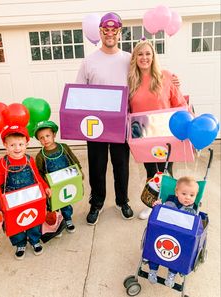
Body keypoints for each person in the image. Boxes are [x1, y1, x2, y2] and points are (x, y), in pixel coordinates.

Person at [76, 12, 134, 225]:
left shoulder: (129, 59)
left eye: (114, 30)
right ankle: (97, 202)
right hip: (95, 123)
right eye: (105, 30)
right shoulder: (89, 61)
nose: (109, 34)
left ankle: (122, 201)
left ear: (119, 32)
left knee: (121, 164)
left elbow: (148, 75)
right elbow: (79, 92)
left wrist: (170, 79)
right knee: (97, 164)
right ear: (100, 32)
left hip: (121, 122)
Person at [128, 39, 188, 220]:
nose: (144, 57)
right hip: (143, 135)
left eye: (148, 54)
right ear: (135, 58)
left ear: (153, 56)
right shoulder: (131, 80)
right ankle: (151, 205)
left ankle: (170, 204)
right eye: (140, 54)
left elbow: (180, 103)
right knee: (151, 173)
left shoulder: (166, 76)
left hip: (166, 134)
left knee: (165, 172)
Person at [0, 125, 51, 260]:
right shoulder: (3, 162)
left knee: (33, 219)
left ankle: (34, 240)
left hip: (30, 196)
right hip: (12, 199)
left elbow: (37, 176)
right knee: (14, 223)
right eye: (12, 145)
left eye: (21, 144)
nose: (17, 148)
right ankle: (20, 243)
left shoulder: (29, 160)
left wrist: (45, 187)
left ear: (26, 144)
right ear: (5, 145)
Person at [148, 176, 199, 288]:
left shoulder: (194, 209)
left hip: (180, 236)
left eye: (192, 195)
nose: (187, 198)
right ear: (176, 193)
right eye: (184, 194)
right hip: (163, 231)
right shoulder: (169, 201)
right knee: (155, 251)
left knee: (179, 254)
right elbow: (158, 213)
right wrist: (157, 205)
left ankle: (171, 275)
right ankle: (152, 270)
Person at [34, 120, 83, 234]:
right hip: (52, 185)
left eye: (47, 136)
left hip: (66, 180)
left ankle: (68, 218)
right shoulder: (40, 156)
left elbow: (73, 159)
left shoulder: (64, 147)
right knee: (54, 204)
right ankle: (57, 223)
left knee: (65, 201)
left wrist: (79, 171)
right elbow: (39, 172)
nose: (45, 139)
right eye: (41, 138)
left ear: (54, 135)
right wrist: (44, 186)